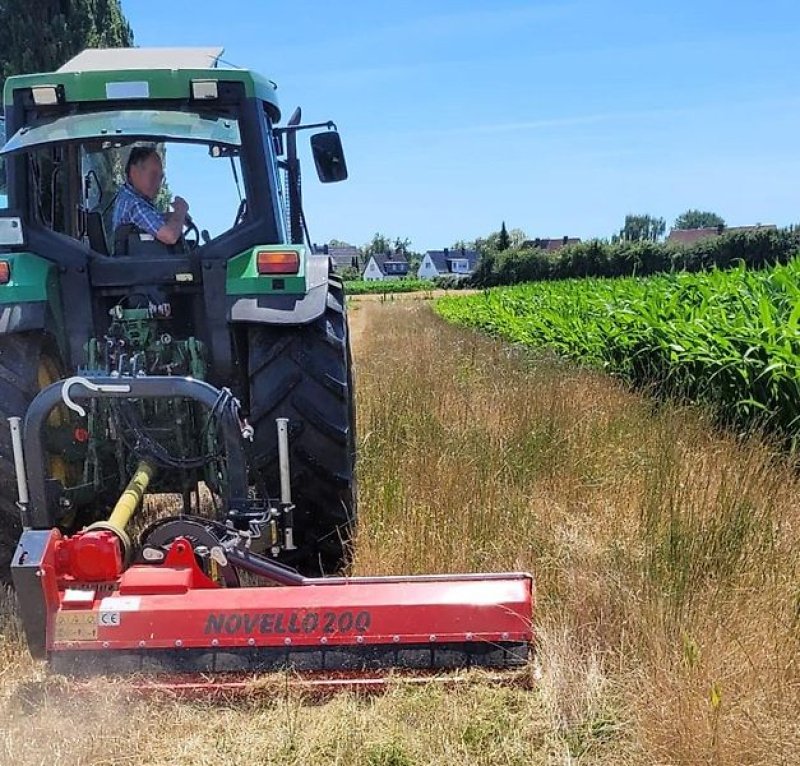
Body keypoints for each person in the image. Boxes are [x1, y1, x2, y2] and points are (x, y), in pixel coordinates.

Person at [112, 146, 189, 247]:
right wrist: (181, 210)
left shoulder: (129, 199)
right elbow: (169, 236)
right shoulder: (133, 204)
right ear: (133, 171)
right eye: (153, 174)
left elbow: (148, 220)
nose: (158, 182)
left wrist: (171, 217)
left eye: (160, 177)